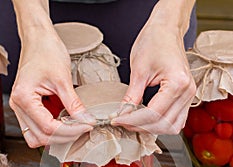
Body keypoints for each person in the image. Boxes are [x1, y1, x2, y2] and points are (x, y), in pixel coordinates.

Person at [10, 0, 196, 148]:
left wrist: (171, 23)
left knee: (157, 106)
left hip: (154, 14)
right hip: (27, 10)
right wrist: (32, 30)